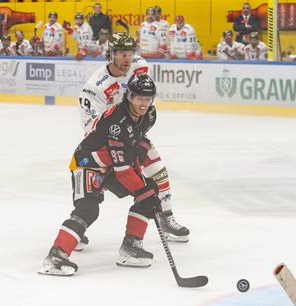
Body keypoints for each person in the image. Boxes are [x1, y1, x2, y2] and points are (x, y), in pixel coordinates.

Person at [39, 75, 162, 276]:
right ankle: (56, 256)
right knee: (87, 209)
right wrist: (142, 191)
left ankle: (130, 247)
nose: (144, 104)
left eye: (148, 99)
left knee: (149, 190)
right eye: (140, 98)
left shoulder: (149, 115)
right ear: (130, 97)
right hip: (88, 163)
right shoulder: (116, 121)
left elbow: (135, 143)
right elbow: (123, 171)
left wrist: (144, 183)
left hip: (112, 164)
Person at [77, 33, 190, 248]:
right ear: (110, 55)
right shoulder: (94, 87)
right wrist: (117, 138)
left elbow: (144, 99)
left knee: (156, 166)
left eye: (130, 53)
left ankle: (166, 217)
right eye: (121, 54)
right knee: (93, 188)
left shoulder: (140, 66)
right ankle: (78, 226)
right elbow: (91, 126)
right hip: (106, 141)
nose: (127, 59)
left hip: (133, 133)